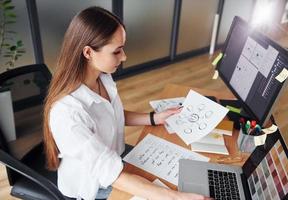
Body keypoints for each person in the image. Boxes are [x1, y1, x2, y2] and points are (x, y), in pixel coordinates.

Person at [43, 6, 212, 200]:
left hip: (117, 159)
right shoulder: (67, 113)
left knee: (180, 174)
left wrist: (154, 118)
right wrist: (174, 197)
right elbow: (109, 173)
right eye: (117, 51)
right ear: (88, 52)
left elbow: (112, 114)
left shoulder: (102, 77)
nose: (124, 57)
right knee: (172, 189)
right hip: (95, 184)